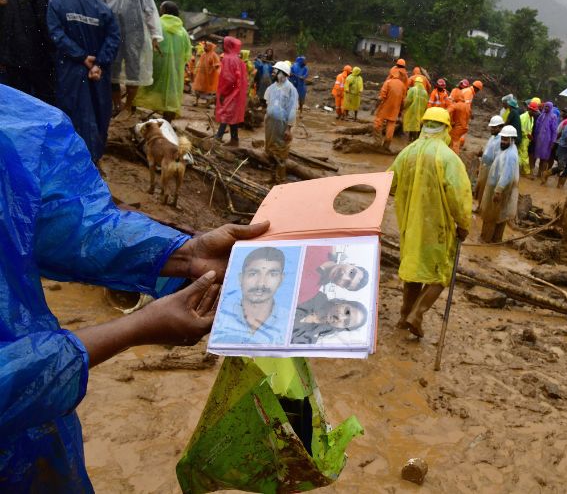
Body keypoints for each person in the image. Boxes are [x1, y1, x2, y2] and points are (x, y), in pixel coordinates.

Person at [0, 83, 270, 491]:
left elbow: (69, 222)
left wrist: (183, 254)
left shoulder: (19, 122)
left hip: (37, 443)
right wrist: (134, 328)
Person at [388, 107, 471, 338]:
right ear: (445, 129)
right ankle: (418, 313)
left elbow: (389, 183)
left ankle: (404, 315)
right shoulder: (448, 158)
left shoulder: (407, 153)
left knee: (414, 269)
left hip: (410, 224)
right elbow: (459, 196)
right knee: (440, 273)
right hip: (438, 228)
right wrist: (463, 224)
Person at [46, 0, 120, 165]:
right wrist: (99, 64)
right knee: (98, 114)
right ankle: (92, 161)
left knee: (69, 113)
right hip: (98, 73)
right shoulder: (105, 9)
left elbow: (56, 34)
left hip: (69, 70)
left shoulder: (57, 2)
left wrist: (80, 57)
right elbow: (114, 38)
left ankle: (69, 163)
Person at [102, 0, 163, 119]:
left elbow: (150, 11)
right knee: (112, 71)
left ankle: (128, 106)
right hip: (112, 34)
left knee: (133, 72)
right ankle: (117, 104)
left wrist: (155, 36)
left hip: (135, 36)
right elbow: (99, 5)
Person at [0, 0, 59, 104]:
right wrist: (53, 51)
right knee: (45, 100)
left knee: (18, 102)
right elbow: (46, 23)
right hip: (37, 57)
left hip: (9, 57)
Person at [210, 247, 290, 345]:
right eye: (253, 274)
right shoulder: (219, 317)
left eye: (272, 274)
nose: (261, 284)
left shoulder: (291, 322)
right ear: (241, 278)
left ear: (281, 279)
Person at [134, 1, 191, 121]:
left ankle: (131, 115)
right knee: (170, 96)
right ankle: (167, 124)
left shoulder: (156, 25)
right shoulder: (183, 32)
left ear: (164, 11)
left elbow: (143, 43)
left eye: (160, 9)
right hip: (174, 71)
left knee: (142, 89)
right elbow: (187, 55)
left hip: (155, 66)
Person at [480, 125, 520, 243]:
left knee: (490, 216)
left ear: (512, 140)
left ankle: (485, 240)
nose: (503, 141)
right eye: (502, 138)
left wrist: (498, 191)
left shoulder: (510, 155)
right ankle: (496, 241)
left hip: (499, 189)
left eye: (506, 139)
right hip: (499, 187)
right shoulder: (508, 150)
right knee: (500, 216)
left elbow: (507, 175)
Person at [264, 60, 299, 183]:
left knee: (281, 154)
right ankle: (272, 177)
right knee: (270, 151)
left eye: (275, 70)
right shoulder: (272, 87)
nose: (273, 71)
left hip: (282, 126)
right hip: (270, 124)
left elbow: (292, 110)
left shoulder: (291, 89)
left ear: (282, 73)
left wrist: (289, 129)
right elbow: (268, 103)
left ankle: (280, 180)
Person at [297, 246, 369, 303]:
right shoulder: (325, 245)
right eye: (351, 273)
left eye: (346, 283)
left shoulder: (309, 292)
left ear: (341, 286)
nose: (343, 277)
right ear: (350, 264)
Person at [291, 293, 367, 344]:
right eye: (347, 312)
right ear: (342, 303)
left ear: (342, 328)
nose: (340, 317)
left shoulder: (312, 338)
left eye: (346, 322)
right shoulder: (315, 295)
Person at [214, 36, 248, 147]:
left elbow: (230, 79)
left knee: (225, 113)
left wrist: (225, 92)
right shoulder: (237, 59)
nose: (221, 46)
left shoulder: (228, 59)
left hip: (231, 91)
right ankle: (234, 139)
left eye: (222, 44)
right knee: (231, 115)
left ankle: (218, 137)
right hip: (237, 91)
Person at [475, 114, 505, 204]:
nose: (492, 129)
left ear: (500, 128)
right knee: (481, 188)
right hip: (485, 166)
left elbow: (498, 157)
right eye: (491, 127)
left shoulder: (501, 140)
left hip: (491, 168)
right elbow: (488, 151)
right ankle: (479, 206)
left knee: (487, 190)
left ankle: (483, 207)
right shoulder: (492, 138)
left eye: (494, 128)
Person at [373, 71, 406, 150]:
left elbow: (381, 97)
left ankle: (377, 144)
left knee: (377, 124)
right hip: (395, 109)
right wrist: (400, 111)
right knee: (391, 126)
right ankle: (386, 145)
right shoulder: (403, 86)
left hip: (384, 108)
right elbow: (403, 101)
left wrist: (375, 107)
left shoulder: (388, 82)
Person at [533, 101, 558, 179]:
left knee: (545, 159)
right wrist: (535, 137)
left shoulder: (553, 117)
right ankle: (538, 174)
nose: (546, 108)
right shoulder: (541, 115)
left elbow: (554, 131)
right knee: (539, 156)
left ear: (550, 108)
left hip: (547, 141)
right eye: (545, 106)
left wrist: (553, 142)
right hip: (539, 140)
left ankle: (542, 175)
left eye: (548, 107)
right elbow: (537, 127)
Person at [192, 41, 220, 106]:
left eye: (206, 46)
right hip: (201, 76)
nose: (204, 47)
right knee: (197, 89)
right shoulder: (203, 54)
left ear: (210, 47)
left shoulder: (214, 55)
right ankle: (196, 101)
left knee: (208, 91)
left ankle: (208, 103)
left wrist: (211, 70)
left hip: (209, 77)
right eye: (205, 46)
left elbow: (217, 65)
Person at [402, 75, 429, 142]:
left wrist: (404, 107)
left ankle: (410, 141)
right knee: (417, 126)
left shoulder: (412, 90)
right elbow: (426, 104)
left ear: (415, 82)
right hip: (421, 112)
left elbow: (408, 100)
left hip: (412, 110)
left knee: (411, 125)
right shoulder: (425, 92)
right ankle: (415, 141)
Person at [519, 99, 539, 176]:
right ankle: (526, 173)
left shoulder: (532, 118)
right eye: (533, 111)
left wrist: (529, 135)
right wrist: (527, 134)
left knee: (521, 156)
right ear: (529, 109)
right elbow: (520, 128)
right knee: (524, 157)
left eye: (535, 111)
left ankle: (520, 172)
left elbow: (529, 128)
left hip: (527, 140)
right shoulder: (523, 117)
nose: (534, 112)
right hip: (522, 139)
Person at [446, 87, 470, 153]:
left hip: (458, 127)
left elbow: (446, 112)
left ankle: (454, 155)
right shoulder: (467, 106)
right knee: (457, 140)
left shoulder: (455, 105)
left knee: (454, 140)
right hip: (464, 127)